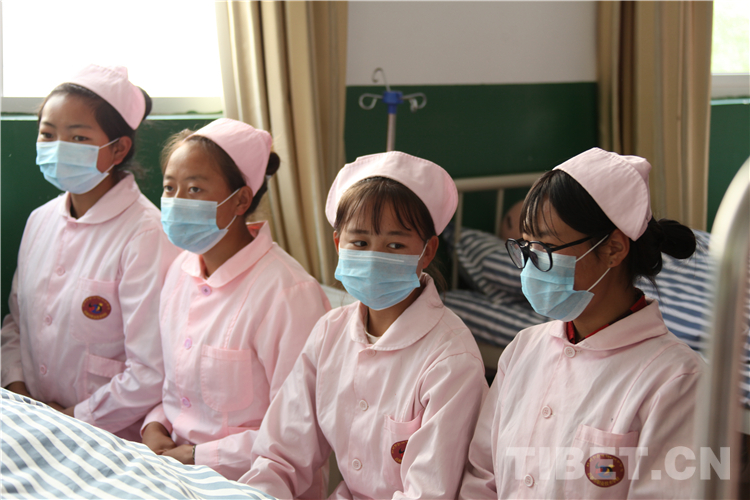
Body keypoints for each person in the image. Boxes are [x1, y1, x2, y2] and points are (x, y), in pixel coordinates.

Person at [241, 151, 488, 499]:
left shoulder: (451, 359)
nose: (374, 257)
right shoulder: (329, 332)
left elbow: (428, 493)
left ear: (428, 251)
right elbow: (281, 455)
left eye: (395, 245)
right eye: (359, 242)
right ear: (338, 243)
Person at [460, 147, 704, 498]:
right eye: (526, 246)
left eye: (545, 247)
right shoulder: (523, 349)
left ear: (613, 249)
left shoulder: (676, 380)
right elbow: (482, 476)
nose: (530, 265)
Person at [140, 118, 331, 486]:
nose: (176, 202)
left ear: (241, 199)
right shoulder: (180, 270)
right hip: (174, 472)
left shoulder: (288, 294)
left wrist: (195, 456)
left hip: (251, 484)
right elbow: (175, 392)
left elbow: (300, 432)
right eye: (169, 187)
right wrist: (155, 426)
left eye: (194, 189)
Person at [1, 64, 180, 441]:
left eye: (78, 137)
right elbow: (16, 324)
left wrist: (70, 419)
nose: (58, 147)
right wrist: (19, 392)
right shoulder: (40, 220)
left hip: (109, 437)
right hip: (31, 421)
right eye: (47, 134)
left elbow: (150, 370)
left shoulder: (146, 234)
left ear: (118, 148)